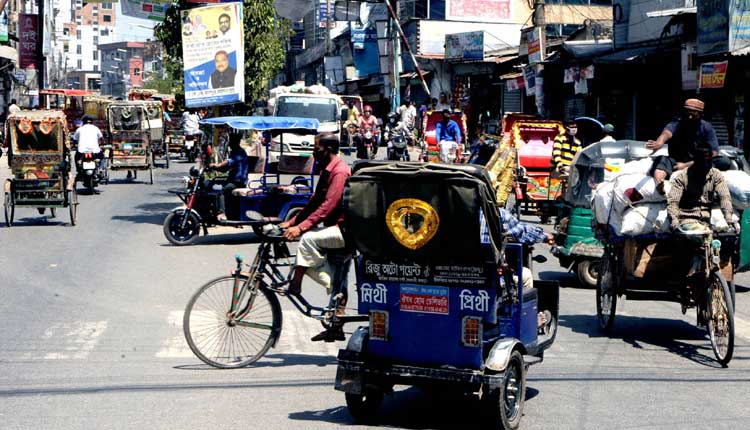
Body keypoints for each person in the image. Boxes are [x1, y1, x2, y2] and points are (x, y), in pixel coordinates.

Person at [279, 133, 352, 341]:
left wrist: (301, 229)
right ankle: (336, 327)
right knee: (340, 281)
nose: (314, 154)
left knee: (307, 240)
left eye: (316, 149)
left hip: (344, 231)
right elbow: (315, 201)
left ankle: (296, 283)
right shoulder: (328, 171)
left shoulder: (339, 172)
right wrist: (292, 222)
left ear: (328, 149)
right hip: (334, 230)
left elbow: (327, 207)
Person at [646, 98, 719, 192]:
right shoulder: (676, 124)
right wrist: (659, 143)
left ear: (701, 114)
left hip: (698, 161)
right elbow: (666, 134)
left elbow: (714, 152)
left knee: (723, 161)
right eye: (687, 113)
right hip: (675, 161)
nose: (689, 117)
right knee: (661, 160)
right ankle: (659, 184)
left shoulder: (707, 127)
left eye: (694, 114)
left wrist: (686, 165)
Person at [667, 148, 737, 233]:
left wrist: (728, 217)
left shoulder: (716, 175)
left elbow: (724, 197)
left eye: (709, 161)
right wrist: (674, 219)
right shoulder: (682, 177)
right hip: (687, 219)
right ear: (695, 161)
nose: (707, 164)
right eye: (703, 161)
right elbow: (673, 201)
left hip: (707, 219)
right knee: (701, 234)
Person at [208, 132, 249, 221]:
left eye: (231, 141)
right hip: (232, 180)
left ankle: (222, 213)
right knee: (211, 184)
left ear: (235, 142)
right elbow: (225, 169)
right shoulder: (234, 152)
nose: (229, 143)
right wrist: (214, 168)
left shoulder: (239, 152)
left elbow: (229, 162)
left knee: (221, 190)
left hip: (238, 182)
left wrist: (217, 165)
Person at [73, 116, 105, 189]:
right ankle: (101, 169)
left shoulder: (79, 129)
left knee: (76, 158)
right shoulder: (96, 128)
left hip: (81, 151)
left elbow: (74, 139)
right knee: (102, 157)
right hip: (95, 151)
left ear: (83, 122)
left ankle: (78, 170)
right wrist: (102, 144)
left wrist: (75, 144)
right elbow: (101, 138)